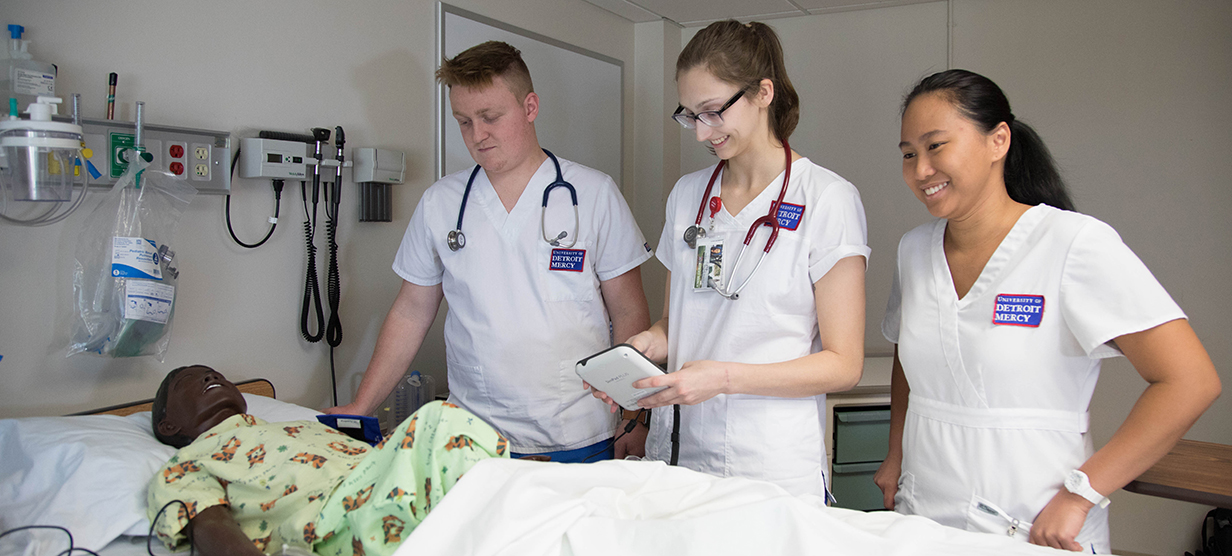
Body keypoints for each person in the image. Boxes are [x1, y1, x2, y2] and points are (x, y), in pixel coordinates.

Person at [875, 69, 1221, 552]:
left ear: (998, 141)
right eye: (909, 154)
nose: (920, 170)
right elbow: (907, 356)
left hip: (1033, 522)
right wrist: (895, 453)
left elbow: (1190, 381)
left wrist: (1083, 493)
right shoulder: (914, 251)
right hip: (926, 514)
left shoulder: (1073, 243)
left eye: (936, 146)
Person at [328, 41, 652, 462]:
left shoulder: (593, 194)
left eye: (490, 117)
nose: (477, 136)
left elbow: (628, 310)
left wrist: (633, 415)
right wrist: (360, 407)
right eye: (463, 122)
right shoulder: (441, 203)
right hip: (472, 439)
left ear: (530, 107)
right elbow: (411, 311)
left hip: (578, 432)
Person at [601, 20, 869, 504]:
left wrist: (721, 378)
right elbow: (676, 323)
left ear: (763, 92)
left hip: (769, 462)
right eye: (689, 115)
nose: (702, 132)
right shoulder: (688, 195)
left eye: (713, 112)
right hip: (680, 449)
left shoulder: (827, 199)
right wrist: (638, 351)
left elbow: (843, 365)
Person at [146, 365, 508, 556]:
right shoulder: (187, 464)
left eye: (218, 375)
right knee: (439, 419)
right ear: (168, 423)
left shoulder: (300, 427)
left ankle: (509, 488)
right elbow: (209, 526)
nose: (212, 376)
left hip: (390, 490)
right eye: (191, 381)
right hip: (338, 520)